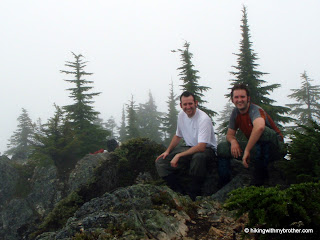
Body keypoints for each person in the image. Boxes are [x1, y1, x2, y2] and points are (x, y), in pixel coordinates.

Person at [218, 83, 285, 187]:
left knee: (263, 132)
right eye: (236, 97)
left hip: (275, 147)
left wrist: (247, 150)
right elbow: (230, 135)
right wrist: (233, 141)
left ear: (248, 98)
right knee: (223, 147)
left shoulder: (255, 110)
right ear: (232, 100)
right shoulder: (235, 113)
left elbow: (260, 127)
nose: (239, 100)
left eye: (242, 97)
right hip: (256, 148)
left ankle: (260, 180)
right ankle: (224, 183)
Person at [155, 91, 217, 200]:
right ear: (181, 105)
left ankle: (194, 193)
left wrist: (179, 155)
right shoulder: (181, 115)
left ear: (196, 103)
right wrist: (167, 151)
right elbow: (178, 136)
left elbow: (202, 146)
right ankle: (178, 191)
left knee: (198, 158)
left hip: (207, 150)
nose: (188, 107)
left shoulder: (203, 119)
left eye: (190, 104)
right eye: (185, 104)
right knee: (161, 162)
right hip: (189, 148)